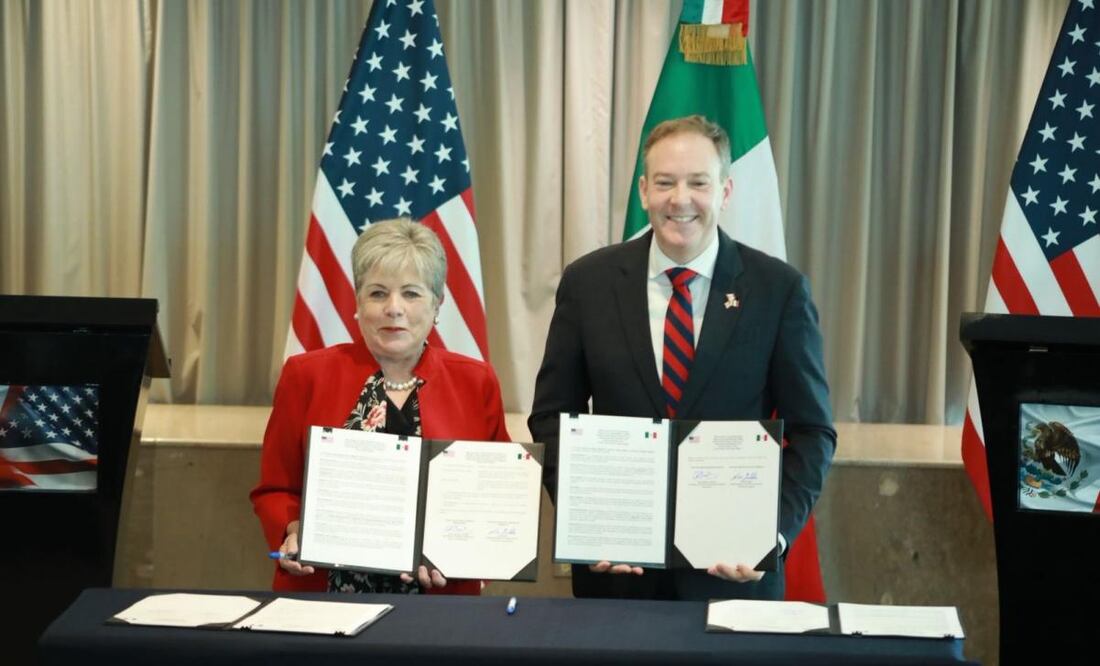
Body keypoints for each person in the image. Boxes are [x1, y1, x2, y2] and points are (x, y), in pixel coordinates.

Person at [528, 115, 835, 601]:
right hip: (617, 577)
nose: (680, 200)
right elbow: (551, 416)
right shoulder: (588, 283)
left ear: (725, 191)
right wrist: (584, 519)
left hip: (733, 579)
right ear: (644, 190)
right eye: (666, 183)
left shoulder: (779, 291)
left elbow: (814, 431)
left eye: (698, 183)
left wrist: (769, 536)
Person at [251, 218, 510, 595]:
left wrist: (463, 549)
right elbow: (275, 489)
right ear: (356, 303)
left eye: (411, 293)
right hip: (323, 598)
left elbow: (497, 495)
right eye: (377, 293)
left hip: (441, 603)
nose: (394, 309)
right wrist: (293, 529)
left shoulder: (476, 382)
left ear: (437, 304)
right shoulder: (305, 375)